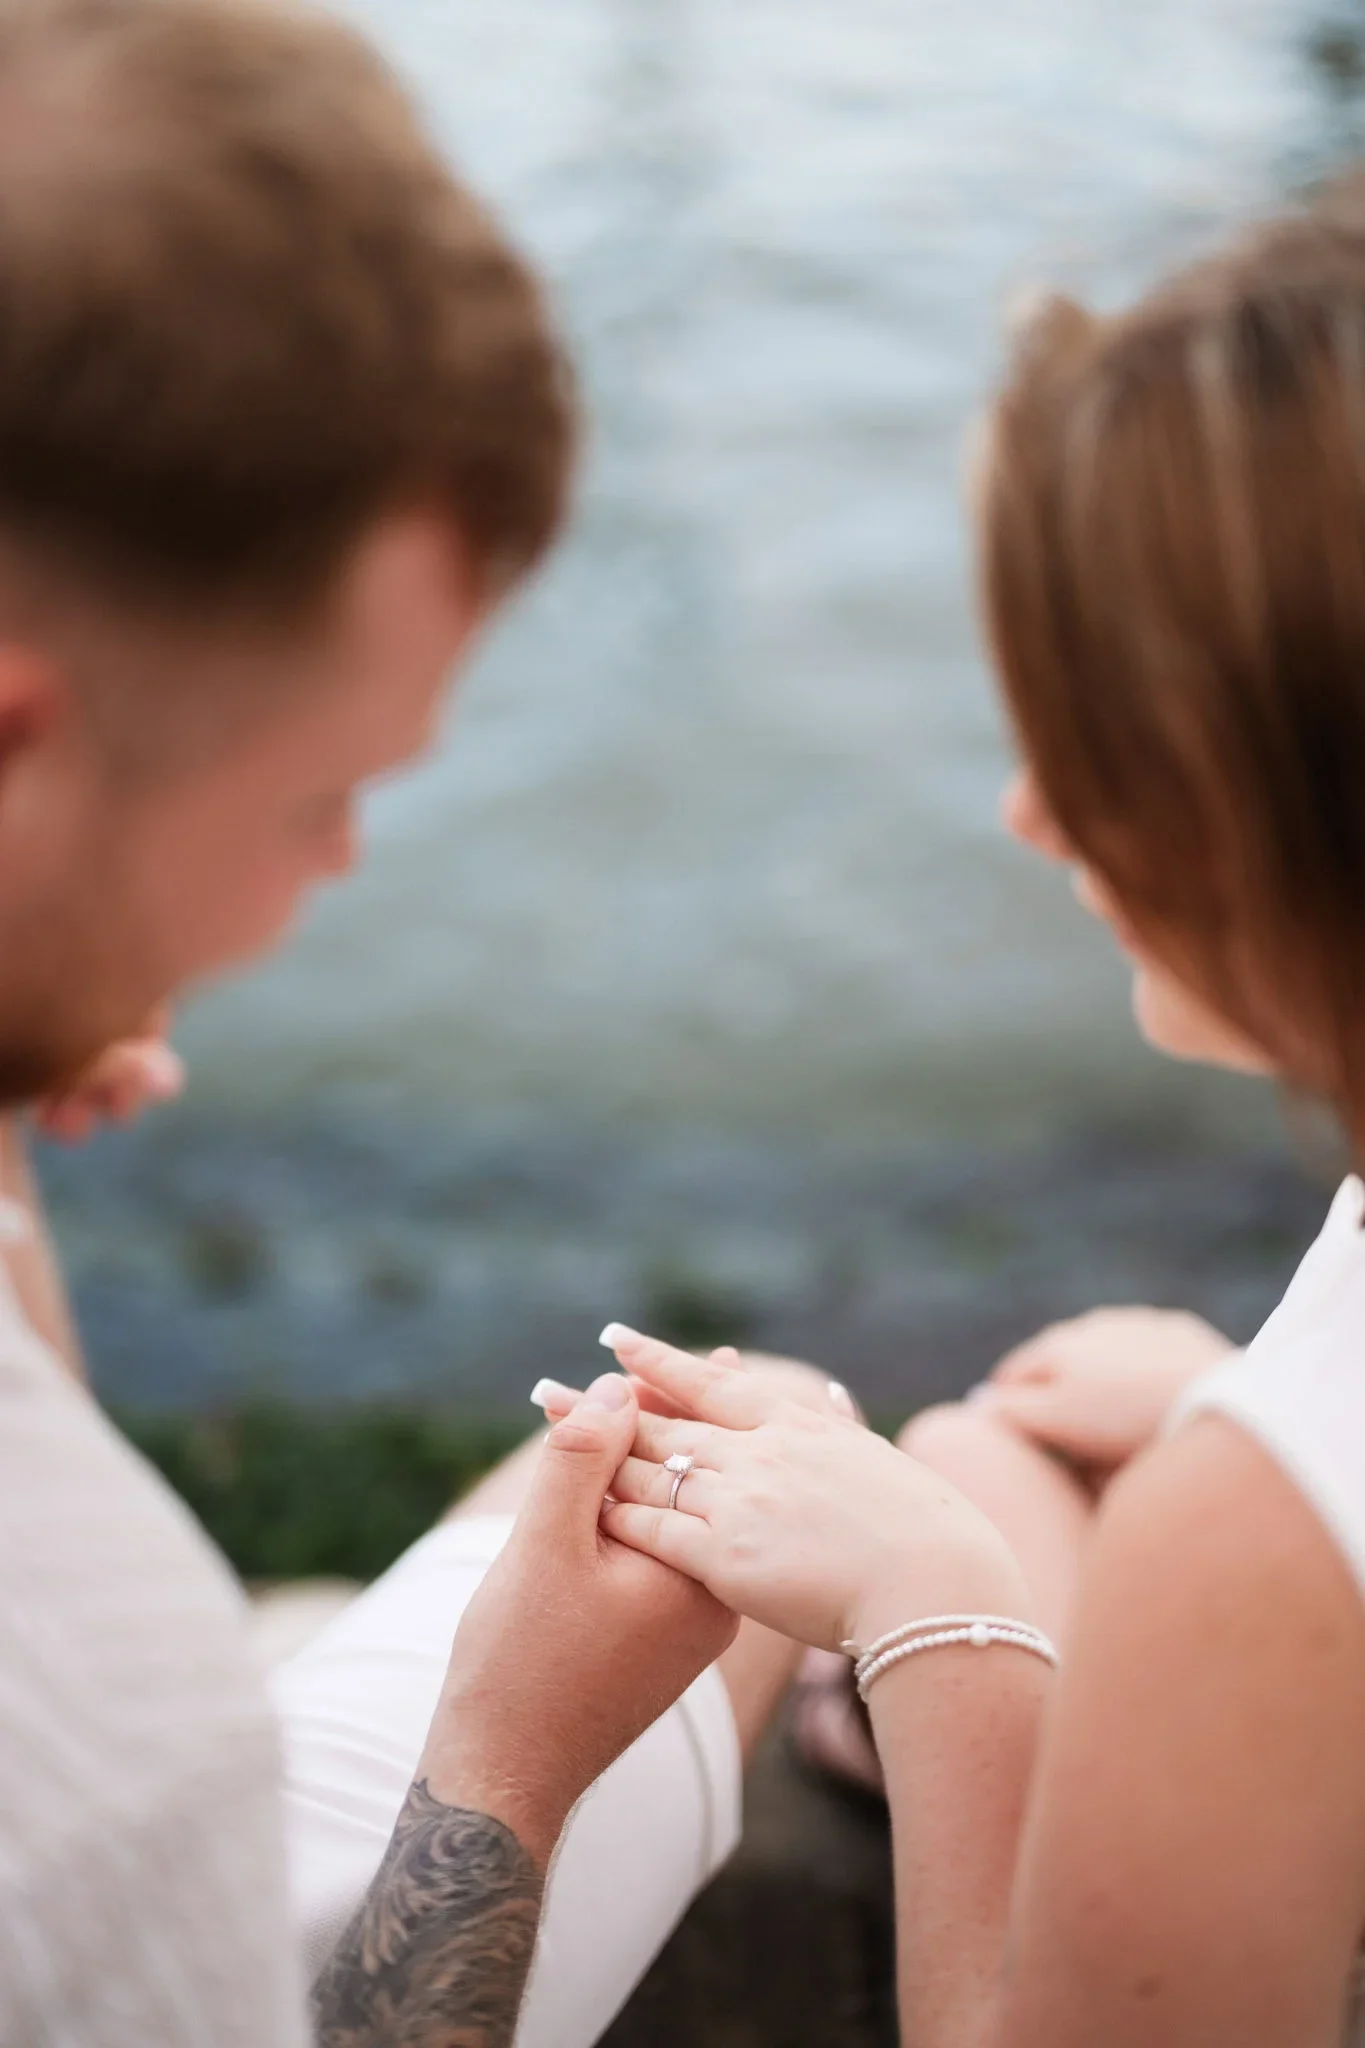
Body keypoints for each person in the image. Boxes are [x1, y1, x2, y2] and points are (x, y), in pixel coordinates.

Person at [0, 0, 801, 2041]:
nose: (341, 866)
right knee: (737, 1512)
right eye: (317, 798)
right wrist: (507, 1769)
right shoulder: (91, 1705)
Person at [591, 173, 1365, 2048]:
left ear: (1276, 788)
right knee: (1001, 1449)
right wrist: (1227, 1398)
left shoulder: (1257, 1522)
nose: (1027, 814)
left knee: (968, 1479)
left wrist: (925, 1606)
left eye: (1090, 742)